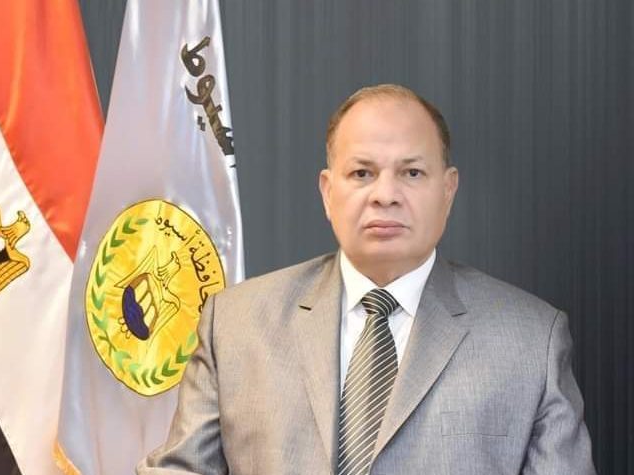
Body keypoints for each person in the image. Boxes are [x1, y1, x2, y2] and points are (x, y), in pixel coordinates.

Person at [137, 84, 596, 474]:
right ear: (327, 192)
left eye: (412, 172)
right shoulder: (235, 323)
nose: (385, 195)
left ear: (447, 190)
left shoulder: (531, 340)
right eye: (362, 173)